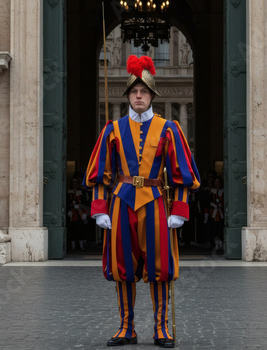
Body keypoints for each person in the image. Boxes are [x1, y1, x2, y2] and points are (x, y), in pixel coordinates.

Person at [83, 55, 200, 348]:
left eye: (143, 92)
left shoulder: (169, 128)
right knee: (123, 267)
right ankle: (126, 328)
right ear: (128, 95)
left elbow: (181, 173)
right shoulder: (112, 129)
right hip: (121, 202)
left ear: (151, 96)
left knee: (160, 267)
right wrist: (99, 209)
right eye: (134, 92)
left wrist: (180, 210)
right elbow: (101, 173)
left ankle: (161, 329)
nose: (138, 96)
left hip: (155, 202)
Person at [66, 177, 90, 251]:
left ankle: (81, 246)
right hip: (71, 214)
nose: (74, 185)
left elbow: (85, 203)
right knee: (72, 229)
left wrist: (85, 212)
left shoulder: (81, 192)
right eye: (73, 183)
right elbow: (66, 202)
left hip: (80, 213)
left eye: (76, 183)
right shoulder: (68, 192)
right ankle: (73, 246)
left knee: (81, 229)